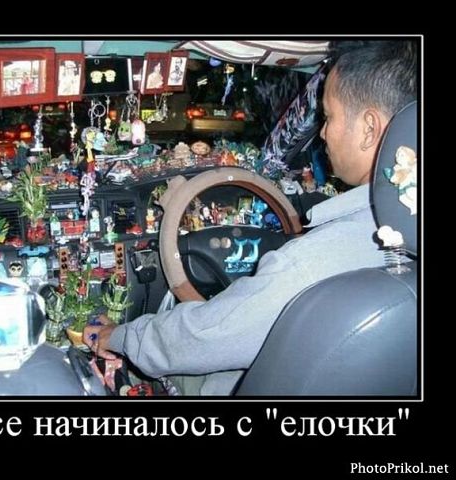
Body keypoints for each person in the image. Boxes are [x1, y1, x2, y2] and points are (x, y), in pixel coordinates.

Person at [83, 41, 418, 395]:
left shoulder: (306, 264)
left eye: (328, 116)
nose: (321, 132)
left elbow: (204, 336)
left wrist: (120, 336)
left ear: (369, 129)